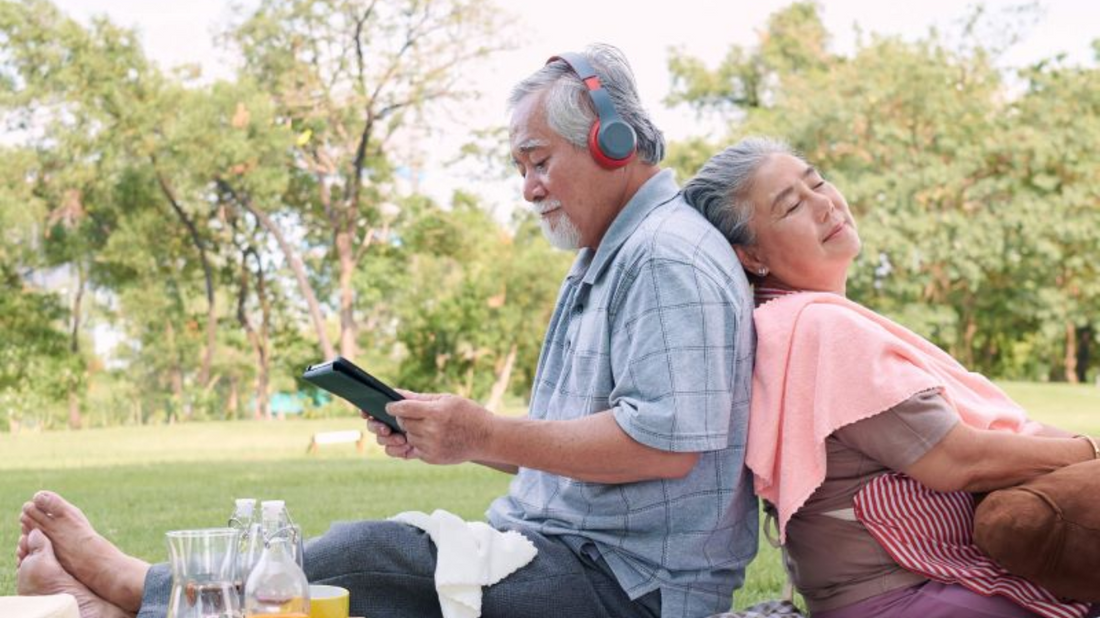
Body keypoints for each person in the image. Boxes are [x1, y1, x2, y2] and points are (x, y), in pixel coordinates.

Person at [16, 44, 758, 618]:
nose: (528, 189)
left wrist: (487, 435)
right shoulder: (613, 253)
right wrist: (457, 434)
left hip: (630, 588)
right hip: (574, 553)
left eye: (538, 162)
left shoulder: (664, 258)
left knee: (370, 555)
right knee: (378, 561)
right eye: (520, 167)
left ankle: (133, 585)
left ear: (611, 143)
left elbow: (664, 450)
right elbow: (588, 444)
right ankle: (141, 603)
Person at [682, 137, 1100, 618]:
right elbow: (958, 460)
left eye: (817, 182)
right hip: (912, 595)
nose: (825, 204)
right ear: (751, 255)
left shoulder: (798, 322)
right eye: (793, 205)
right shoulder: (820, 328)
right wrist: (1087, 451)